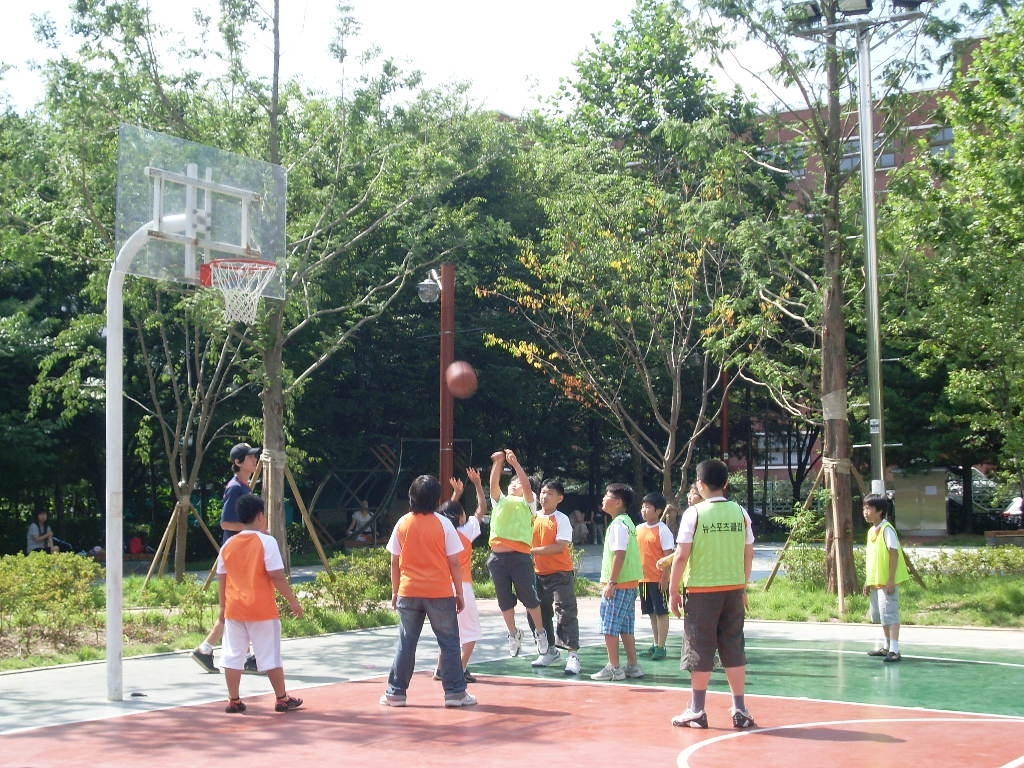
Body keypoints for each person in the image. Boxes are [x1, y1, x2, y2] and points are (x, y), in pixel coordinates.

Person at [669, 458, 756, 730]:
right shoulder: (740, 513)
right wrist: (743, 585)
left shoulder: (694, 514)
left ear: (700, 484)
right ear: (726, 483)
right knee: (733, 646)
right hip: (732, 589)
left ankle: (696, 710)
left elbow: (681, 555)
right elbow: (748, 551)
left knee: (699, 648)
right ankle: (740, 708)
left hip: (702, 590)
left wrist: (673, 589)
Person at [380, 474, 476, 708]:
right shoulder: (443, 524)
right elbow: (454, 561)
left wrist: (395, 591)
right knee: (449, 643)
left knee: (406, 643)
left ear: (411, 497)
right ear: (436, 499)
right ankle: (455, 694)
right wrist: (459, 594)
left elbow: (395, 560)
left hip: (409, 590)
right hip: (439, 592)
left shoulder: (402, 523)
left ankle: (396, 693)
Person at [217, 493, 304, 714]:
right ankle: (282, 698)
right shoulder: (267, 542)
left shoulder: (228, 545)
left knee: (233, 655)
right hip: (262, 609)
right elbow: (276, 575)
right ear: (260, 516)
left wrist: (222, 608)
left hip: (234, 608)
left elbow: (222, 578)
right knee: (270, 654)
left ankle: (234, 700)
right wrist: (293, 602)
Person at [192, 442, 262, 674]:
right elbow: (225, 523)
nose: (254, 460)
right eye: (249, 457)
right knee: (238, 605)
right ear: (238, 462)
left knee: (240, 605)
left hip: (242, 553)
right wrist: (255, 529)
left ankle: (210, 650)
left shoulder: (245, 487)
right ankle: (215, 650)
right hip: (235, 553)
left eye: (254, 456)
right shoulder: (235, 488)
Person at [486, 449, 551, 659]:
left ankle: (540, 633)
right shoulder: (500, 501)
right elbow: (493, 485)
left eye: (517, 483)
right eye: (511, 483)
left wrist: (514, 464)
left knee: (529, 597)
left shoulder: (529, 503)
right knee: (504, 600)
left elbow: (527, 485)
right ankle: (513, 634)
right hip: (497, 558)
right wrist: (497, 462)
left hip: (520, 557)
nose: (514, 485)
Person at [435, 468, 488, 684]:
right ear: (460, 516)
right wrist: (477, 484)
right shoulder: (466, 531)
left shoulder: (440, 532)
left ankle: (440, 669)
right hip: (461, 586)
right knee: (471, 633)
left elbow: (444, 514)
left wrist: (455, 495)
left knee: (448, 632)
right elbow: (481, 509)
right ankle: (459, 669)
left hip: (440, 586)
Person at [590, 482, 644, 681]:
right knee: (625, 627)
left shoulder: (618, 525)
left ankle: (614, 667)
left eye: (607, 495)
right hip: (629, 584)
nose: (603, 498)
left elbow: (619, 554)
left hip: (618, 585)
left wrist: (611, 582)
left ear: (619, 502)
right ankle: (633, 665)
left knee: (609, 627)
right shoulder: (628, 523)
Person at [529, 479, 582, 674]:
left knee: (565, 611)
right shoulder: (533, 516)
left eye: (550, 493)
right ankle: (548, 650)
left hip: (561, 573)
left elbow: (561, 546)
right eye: (543, 492)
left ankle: (573, 655)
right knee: (537, 612)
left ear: (560, 498)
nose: (544, 496)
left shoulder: (561, 519)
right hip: (537, 573)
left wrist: (532, 551)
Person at [862, 493, 909, 663]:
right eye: (864, 508)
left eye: (869, 508)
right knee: (882, 616)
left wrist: (891, 579)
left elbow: (894, 553)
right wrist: (868, 581)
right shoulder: (871, 531)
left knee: (891, 614)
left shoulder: (887, 529)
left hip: (887, 582)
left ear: (880, 511)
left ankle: (895, 650)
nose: (865, 512)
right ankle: (887, 646)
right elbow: (873, 559)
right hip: (876, 581)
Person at [637, 491, 675, 661]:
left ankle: (662, 646)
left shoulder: (663, 530)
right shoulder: (638, 529)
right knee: (651, 613)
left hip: (659, 579)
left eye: (648, 507)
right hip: (643, 580)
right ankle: (655, 643)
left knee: (661, 612)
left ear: (658, 510)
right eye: (643, 506)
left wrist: (665, 578)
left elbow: (668, 556)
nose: (644, 510)